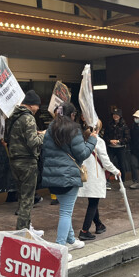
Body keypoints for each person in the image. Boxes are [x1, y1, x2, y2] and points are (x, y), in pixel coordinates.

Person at [41, 102, 97, 258]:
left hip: (52, 176)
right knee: (65, 212)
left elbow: (45, 152)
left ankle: (71, 240)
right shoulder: (73, 129)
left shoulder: (50, 128)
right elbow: (82, 154)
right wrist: (92, 140)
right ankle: (60, 249)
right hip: (68, 176)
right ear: (72, 115)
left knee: (65, 209)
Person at [5, 90, 44, 231]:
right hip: (27, 162)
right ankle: (23, 230)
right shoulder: (28, 118)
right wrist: (43, 135)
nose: (38, 108)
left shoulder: (12, 116)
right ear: (32, 105)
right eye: (37, 105)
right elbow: (33, 142)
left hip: (14, 160)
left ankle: (27, 226)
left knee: (22, 196)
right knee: (28, 198)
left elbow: (8, 137)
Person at [77, 120, 120, 240]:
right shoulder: (99, 141)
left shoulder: (80, 140)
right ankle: (84, 230)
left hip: (84, 175)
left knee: (93, 201)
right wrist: (116, 171)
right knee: (93, 203)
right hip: (95, 176)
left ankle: (99, 224)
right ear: (98, 129)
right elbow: (105, 161)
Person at [104, 109, 131, 182]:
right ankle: (107, 180)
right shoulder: (109, 124)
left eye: (117, 114)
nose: (115, 116)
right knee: (108, 163)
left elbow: (127, 138)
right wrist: (110, 141)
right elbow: (105, 136)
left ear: (120, 116)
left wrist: (118, 141)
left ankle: (122, 180)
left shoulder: (124, 125)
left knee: (122, 164)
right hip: (111, 147)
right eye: (114, 114)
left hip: (120, 148)